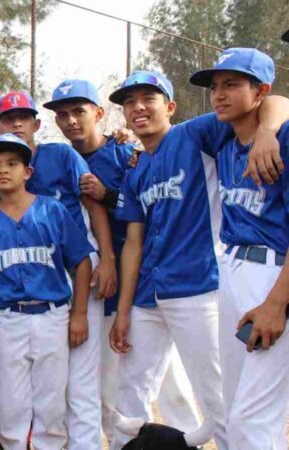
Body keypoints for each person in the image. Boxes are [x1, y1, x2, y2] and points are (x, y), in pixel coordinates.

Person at [108, 70, 289, 450]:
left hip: (200, 286)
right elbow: (133, 244)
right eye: (129, 102)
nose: (138, 107)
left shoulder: (196, 134)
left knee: (217, 395)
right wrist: (123, 311)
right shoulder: (136, 169)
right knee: (129, 388)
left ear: (171, 107)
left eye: (148, 98)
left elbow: (273, 102)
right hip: (148, 292)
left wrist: (268, 132)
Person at [43, 79, 200, 442]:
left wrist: (108, 194)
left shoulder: (125, 153)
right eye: (62, 114)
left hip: (146, 276)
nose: (70, 120)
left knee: (171, 381)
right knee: (117, 382)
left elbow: (145, 205)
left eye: (79, 111)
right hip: (103, 284)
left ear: (99, 113)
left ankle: (188, 440)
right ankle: (126, 443)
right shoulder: (60, 160)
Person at [0, 89, 116, 449]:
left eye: (23, 117)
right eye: (7, 118)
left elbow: (93, 204)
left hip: (80, 268)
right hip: (35, 276)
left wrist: (107, 257)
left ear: (36, 123)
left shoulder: (61, 155)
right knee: (47, 381)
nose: (16, 123)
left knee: (81, 378)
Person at [0, 133, 94, 450]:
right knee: (11, 401)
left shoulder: (51, 210)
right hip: (10, 319)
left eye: (12, 163)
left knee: (50, 402)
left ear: (28, 172)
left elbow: (81, 261)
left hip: (52, 315)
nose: (3, 170)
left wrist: (79, 314)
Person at [190, 47, 289, 449]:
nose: (219, 94)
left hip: (273, 275)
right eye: (215, 87)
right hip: (232, 272)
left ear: (260, 91)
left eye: (231, 84)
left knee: (253, 420)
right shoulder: (225, 142)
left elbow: (282, 102)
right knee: (233, 413)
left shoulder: (283, 139)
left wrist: (276, 304)